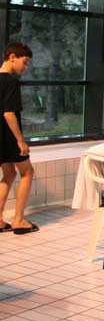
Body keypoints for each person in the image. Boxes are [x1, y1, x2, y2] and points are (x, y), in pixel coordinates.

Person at [0, 42, 37, 235]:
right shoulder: (11, 81)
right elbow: (8, 113)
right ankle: (19, 220)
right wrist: (20, 140)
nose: (26, 66)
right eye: (25, 61)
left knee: (9, 174)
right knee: (27, 172)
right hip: (8, 135)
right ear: (12, 57)